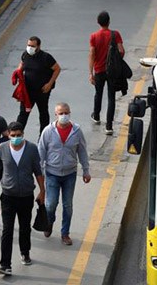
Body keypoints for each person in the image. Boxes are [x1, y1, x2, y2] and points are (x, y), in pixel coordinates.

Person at [0, 121, 45, 276]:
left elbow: (38, 171)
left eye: (18, 136)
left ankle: (25, 252)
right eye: (12, 136)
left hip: (26, 196)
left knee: (24, 226)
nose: (15, 138)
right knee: (7, 229)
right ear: (8, 134)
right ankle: (5, 264)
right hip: (8, 196)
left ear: (23, 135)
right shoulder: (2, 149)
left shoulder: (32, 149)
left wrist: (42, 191)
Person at [37, 102, 91, 246]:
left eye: (66, 113)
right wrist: (39, 173)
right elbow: (41, 152)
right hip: (52, 173)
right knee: (51, 204)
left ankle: (65, 233)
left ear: (70, 113)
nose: (64, 116)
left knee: (68, 205)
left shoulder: (77, 131)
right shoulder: (48, 131)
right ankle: (49, 223)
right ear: (56, 115)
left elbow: (82, 151)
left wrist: (86, 170)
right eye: (61, 113)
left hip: (70, 174)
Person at [14, 36, 61, 137]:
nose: (30, 47)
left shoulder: (46, 57)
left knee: (43, 113)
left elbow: (57, 69)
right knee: (23, 114)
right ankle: (17, 135)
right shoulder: (25, 54)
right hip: (28, 92)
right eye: (28, 45)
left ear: (38, 46)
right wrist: (18, 72)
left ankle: (43, 137)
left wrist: (49, 84)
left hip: (42, 91)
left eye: (32, 46)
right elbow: (22, 64)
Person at [88, 11, 124, 135]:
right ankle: (109, 126)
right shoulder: (115, 34)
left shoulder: (94, 36)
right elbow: (121, 51)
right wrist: (116, 62)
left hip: (99, 70)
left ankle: (96, 115)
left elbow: (92, 54)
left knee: (98, 94)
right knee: (111, 97)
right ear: (109, 22)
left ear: (98, 22)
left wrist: (90, 72)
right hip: (112, 72)